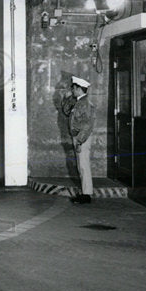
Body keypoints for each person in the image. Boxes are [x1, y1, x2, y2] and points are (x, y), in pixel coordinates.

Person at [61, 75, 94, 203]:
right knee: (81, 165)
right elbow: (66, 111)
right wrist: (68, 98)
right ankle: (85, 192)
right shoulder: (79, 101)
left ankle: (86, 195)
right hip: (79, 136)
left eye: (74, 88)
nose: (72, 90)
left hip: (82, 137)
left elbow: (88, 125)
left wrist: (79, 141)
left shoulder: (85, 104)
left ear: (79, 89)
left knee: (84, 165)